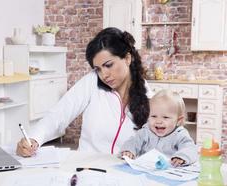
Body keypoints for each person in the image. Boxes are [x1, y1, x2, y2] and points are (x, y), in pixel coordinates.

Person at [16, 27, 154, 157]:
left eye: (109, 65)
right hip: (87, 170)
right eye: (98, 68)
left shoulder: (150, 99)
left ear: (127, 58)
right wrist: (34, 138)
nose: (104, 75)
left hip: (124, 174)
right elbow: (59, 114)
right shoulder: (92, 82)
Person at [118, 89, 198, 167]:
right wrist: (128, 150)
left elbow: (190, 148)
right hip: (145, 171)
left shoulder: (179, 134)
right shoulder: (145, 132)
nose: (158, 121)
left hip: (168, 173)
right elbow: (132, 142)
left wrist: (181, 157)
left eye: (165, 117)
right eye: (154, 116)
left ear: (178, 120)